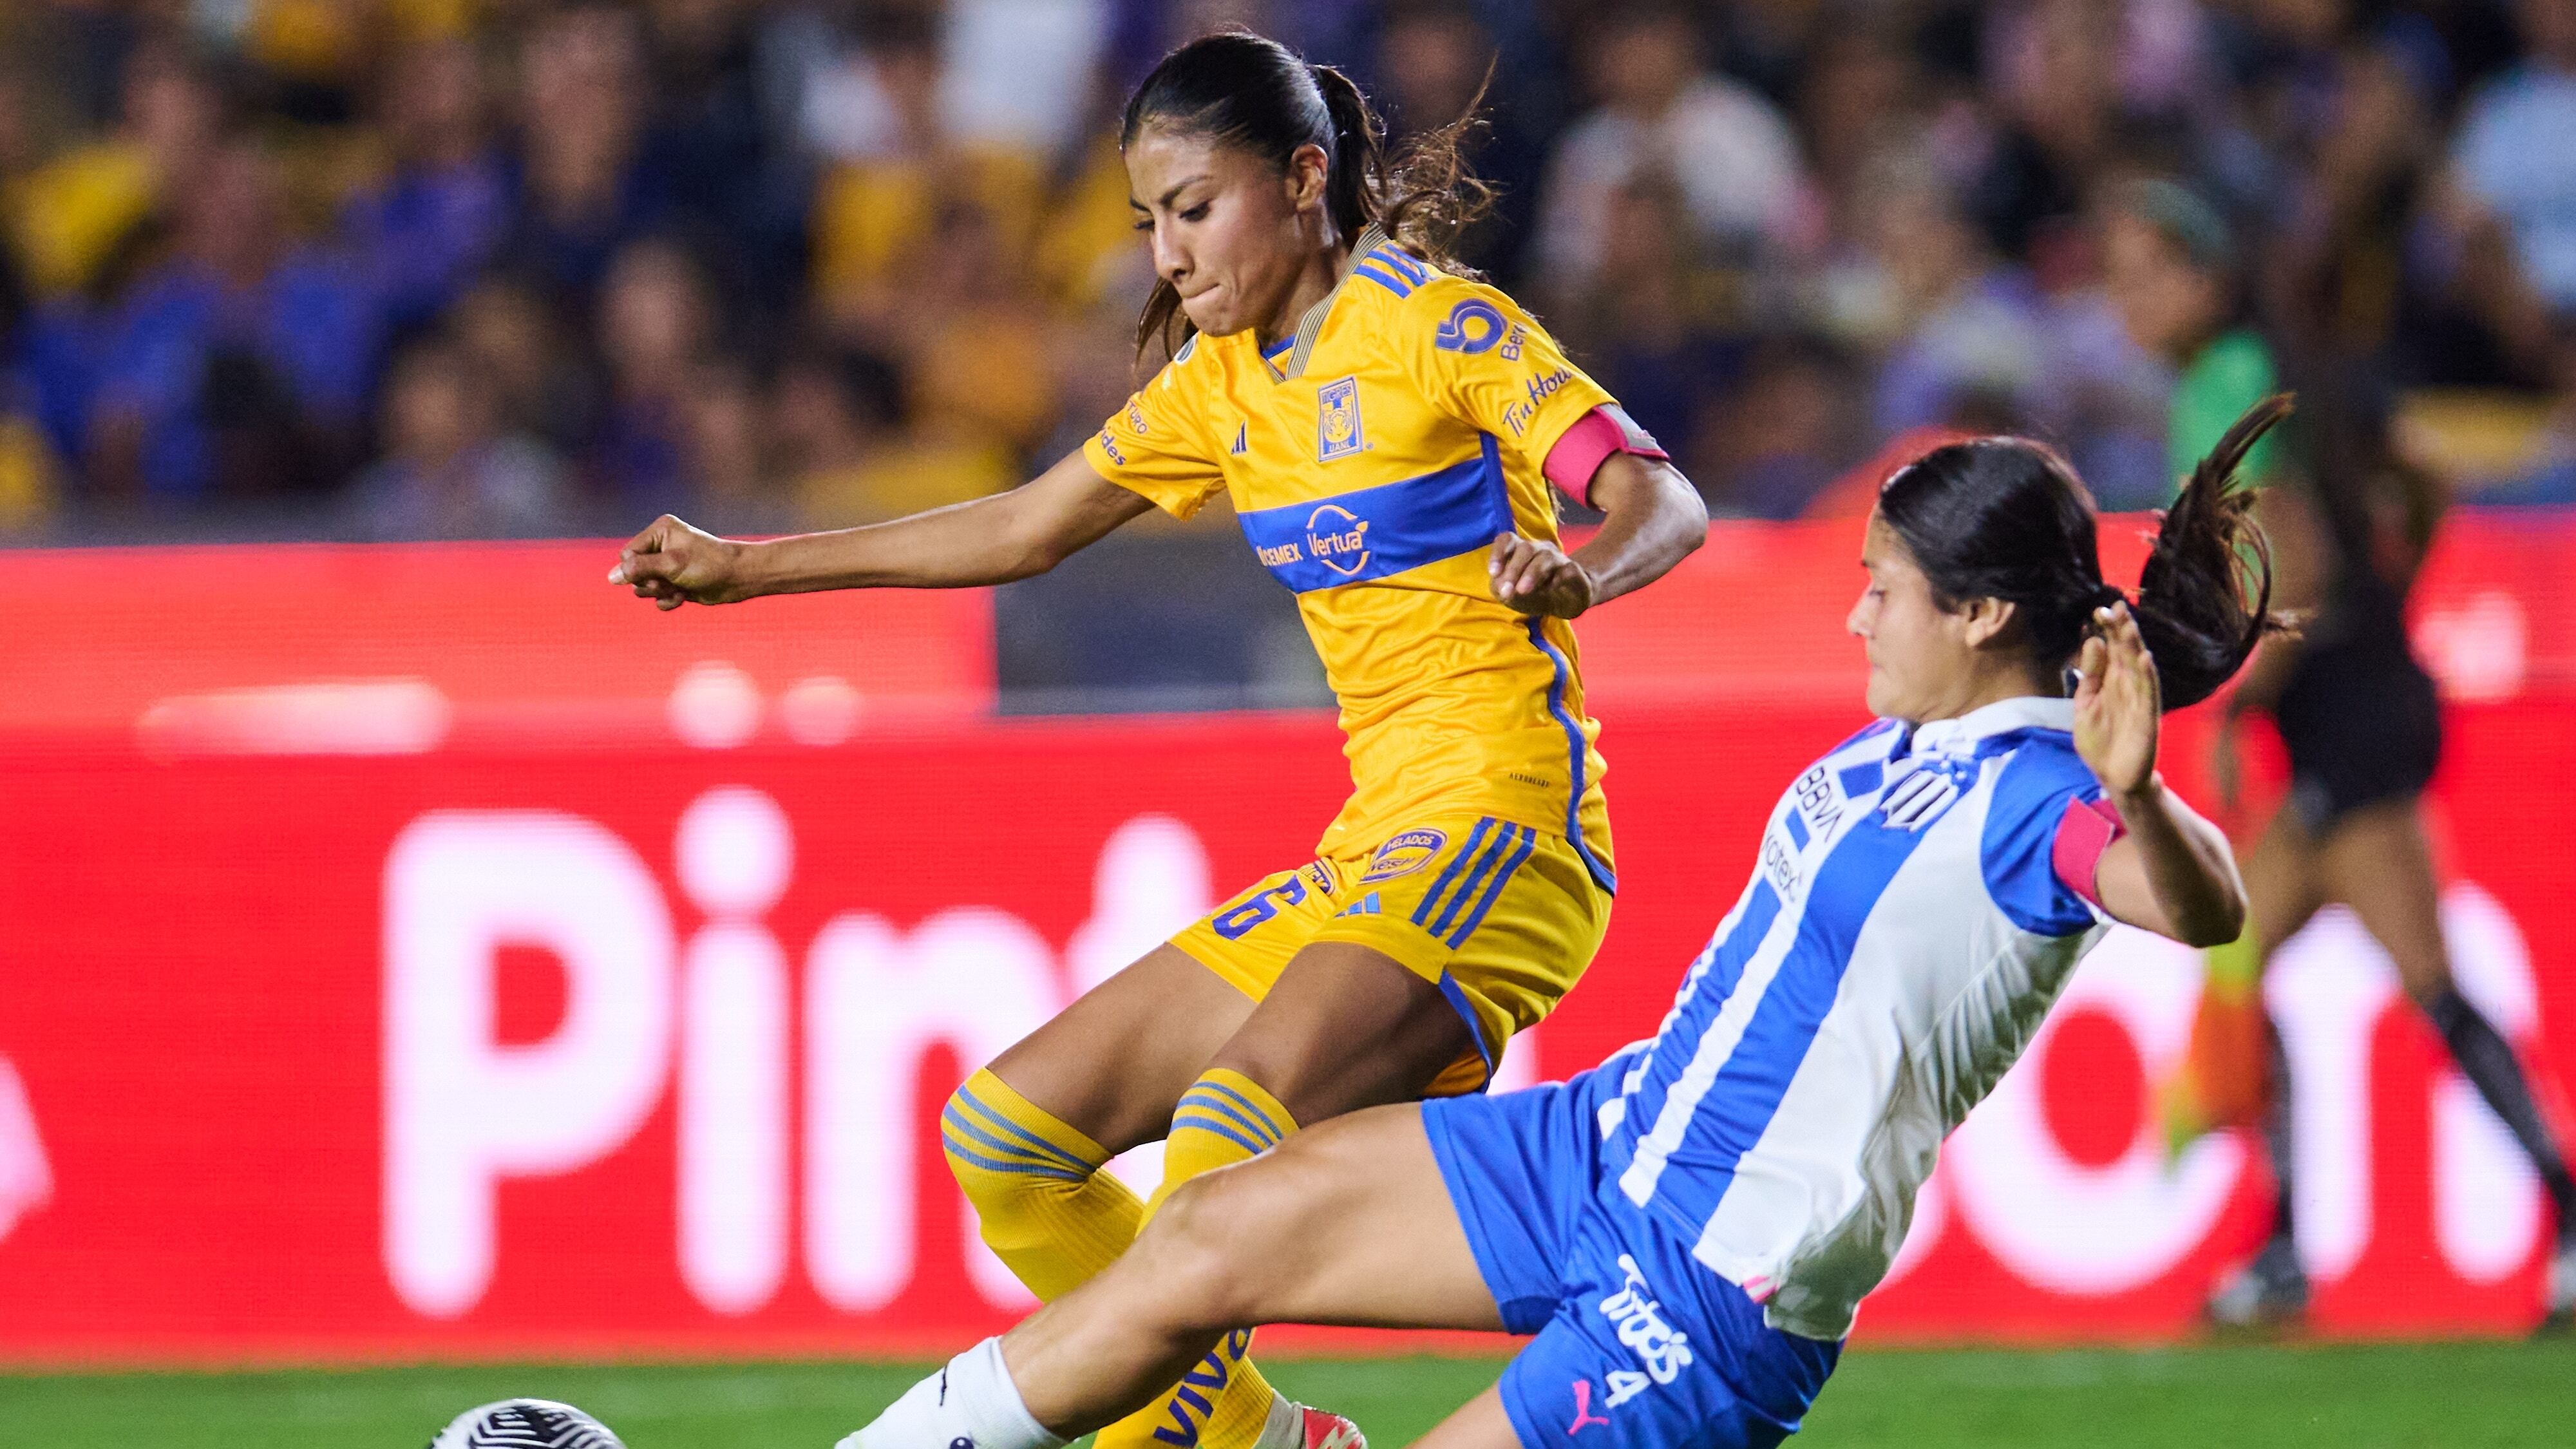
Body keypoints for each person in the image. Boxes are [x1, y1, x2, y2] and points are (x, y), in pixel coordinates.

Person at [609, 31, 1709, 1449]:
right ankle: (1258, 1441)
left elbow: (1655, 499)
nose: (1168, 257)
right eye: (1148, 224)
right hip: (1376, 852)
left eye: (1193, 209)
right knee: (1006, 1142)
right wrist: (746, 567)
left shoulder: (1441, 331)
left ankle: (1600, 1293)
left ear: (1304, 178)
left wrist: (1579, 570)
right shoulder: (1220, 382)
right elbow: (1020, 525)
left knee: (1216, 1161)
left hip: (1504, 836)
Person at [836, 402, 2284, 1449]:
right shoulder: (1891, 746)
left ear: (1974, 618)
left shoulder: (2041, 796)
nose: (1854, 620)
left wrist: (2139, 793)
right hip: (1605, 1146)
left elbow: (2194, 900)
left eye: (1881, 591)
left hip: (1712, 1294)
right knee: (1207, 1229)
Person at [2103, 179, 2576, 1326]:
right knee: (2284, 961)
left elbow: (2293, 564)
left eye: (2144, 273)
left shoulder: (2222, 383)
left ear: (2205, 277)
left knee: (2272, 952)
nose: (2126, 301)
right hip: (2365, 697)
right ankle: (2288, 1251)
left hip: (2344, 713)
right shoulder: (2285, 363)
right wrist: (2387, 594)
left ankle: (2299, 1250)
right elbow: (2414, 480)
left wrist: (2228, 704)